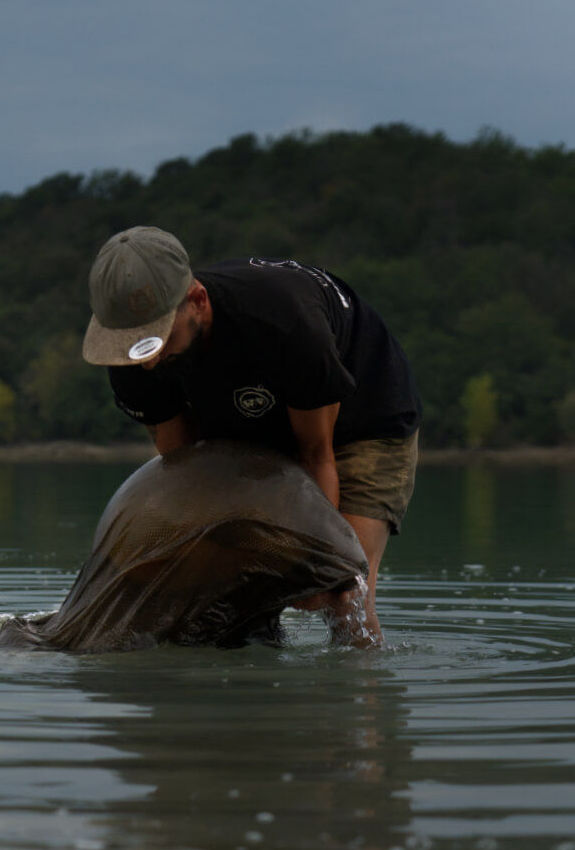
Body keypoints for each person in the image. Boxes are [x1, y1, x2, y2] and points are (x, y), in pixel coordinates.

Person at [82, 225, 421, 645]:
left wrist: (314, 565)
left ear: (197, 301)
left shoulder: (283, 322)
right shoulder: (133, 363)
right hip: (243, 427)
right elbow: (189, 473)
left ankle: (358, 677)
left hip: (360, 421)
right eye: (134, 346)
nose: (148, 363)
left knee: (340, 593)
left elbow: (317, 455)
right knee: (224, 593)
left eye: (158, 339)